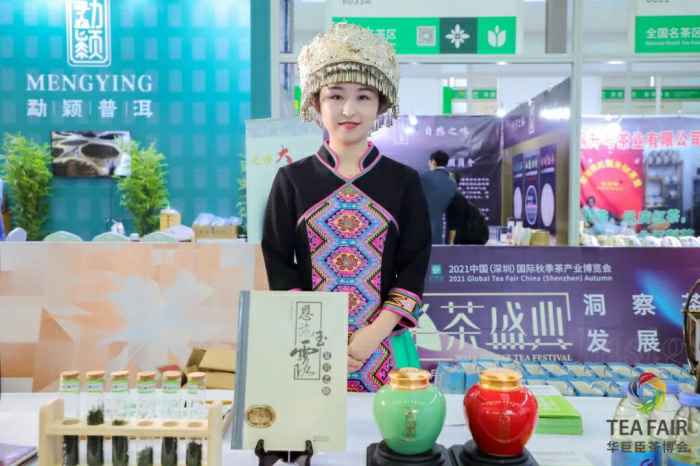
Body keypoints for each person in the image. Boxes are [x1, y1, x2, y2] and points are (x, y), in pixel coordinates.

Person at [262, 23, 431, 393]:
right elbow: (278, 263)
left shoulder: (403, 182)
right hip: (309, 346)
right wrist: (321, 335)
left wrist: (374, 333)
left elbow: (414, 265)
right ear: (315, 103)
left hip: (385, 348)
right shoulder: (292, 180)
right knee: (310, 426)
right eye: (335, 96)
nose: (348, 110)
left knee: (387, 429)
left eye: (363, 97)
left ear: (380, 105)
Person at [420, 150, 457, 244]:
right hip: (438, 228)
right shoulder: (452, 182)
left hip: (420, 226)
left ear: (433, 162)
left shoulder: (423, 177)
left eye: (429, 162)